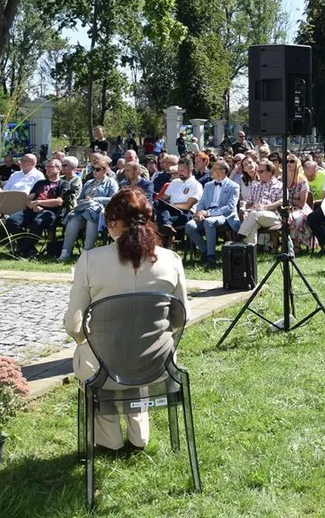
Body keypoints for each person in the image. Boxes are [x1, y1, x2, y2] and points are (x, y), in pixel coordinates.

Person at [64, 187, 189, 452]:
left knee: (99, 355)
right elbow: (180, 318)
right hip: (156, 365)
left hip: (105, 366)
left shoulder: (90, 260)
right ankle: (139, 436)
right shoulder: (171, 259)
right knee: (133, 353)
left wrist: (88, 342)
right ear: (148, 217)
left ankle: (109, 440)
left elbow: (73, 325)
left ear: (111, 222)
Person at [5, 159, 69, 258]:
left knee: (38, 222)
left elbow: (59, 202)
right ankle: (28, 248)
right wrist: (33, 205)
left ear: (59, 169)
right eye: (47, 167)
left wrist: (39, 202)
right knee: (11, 221)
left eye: (51, 167)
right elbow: (29, 198)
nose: (48, 169)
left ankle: (23, 250)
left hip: (50, 212)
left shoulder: (63, 184)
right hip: (32, 210)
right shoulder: (40, 183)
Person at [57, 155, 118, 261]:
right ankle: (65, 252)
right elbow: (79, 199)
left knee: (92, 217)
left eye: (98, 169)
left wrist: (95, 200)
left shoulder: (111, 182)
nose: (94, 172)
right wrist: (84, 201)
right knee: (73, 220)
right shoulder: (89, 183)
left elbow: (113, 199)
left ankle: (87, 253)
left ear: (105, 170)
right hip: (83, 210)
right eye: (93, 169)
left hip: (101, 213)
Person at [184, 159, 240, 266]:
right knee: (189, 226)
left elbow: (229, 207)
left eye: (214, 168)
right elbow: (202, 202)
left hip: (225, 216)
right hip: (206, 214)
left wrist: (208, 213)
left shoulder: (233, 186)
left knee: (209, 222)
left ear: (223, 171)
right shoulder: (208, 185)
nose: (211, 170)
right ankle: (205, 251)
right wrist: (199, 212)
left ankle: (211, 257)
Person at [232, 159, 284, 245]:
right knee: (252, 225)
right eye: (258, 171)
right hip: (255, 215)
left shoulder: (280, 185)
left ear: (270, 172)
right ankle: (250, 252)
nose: (258, 173)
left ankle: (238, 238)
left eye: (261, 171)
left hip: (273, 216)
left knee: (253, 214)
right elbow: (248, 201)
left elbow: (282, 201)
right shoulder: (255, 185)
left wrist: (265, 207)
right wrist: (244, 210)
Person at [154, 160, 202, 242]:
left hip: (184, 213)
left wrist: (171, 205)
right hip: (169, 211)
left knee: (158, 220)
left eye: (182, 170)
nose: (179, 173)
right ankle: (167, 224)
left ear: (190, 169)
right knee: (157, 203)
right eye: (178, 170)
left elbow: (187, 206)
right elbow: (163, 198)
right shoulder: (174, 182)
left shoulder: (196, 185)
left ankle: (165, 237)